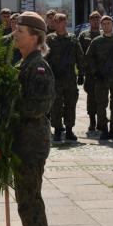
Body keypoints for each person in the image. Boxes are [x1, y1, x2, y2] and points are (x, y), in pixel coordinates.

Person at [6, 11, 55, 226]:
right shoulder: (24, 64)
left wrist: (6, 107)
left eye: (20, 32)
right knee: (24, 198)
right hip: (22, 141)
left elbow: (38, 106)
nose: (15, 34)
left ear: (35, 37)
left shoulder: (38, 66)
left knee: (30, 199)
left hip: (31, 143)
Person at [86, 15, 113, 140]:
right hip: (101, 79)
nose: (106, 26)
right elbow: (89, 58)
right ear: (101, 26)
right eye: (103, 24)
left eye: (108, 23)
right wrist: (95, 72)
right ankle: (103, 129)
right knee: (101, 104)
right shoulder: (96, 41)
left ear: (112, 25)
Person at [45, 13, 84, 142]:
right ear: (54, 23)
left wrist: (81, 73)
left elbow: (80, 56)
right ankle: (57, 129)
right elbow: (44, 58)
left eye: (61, 21)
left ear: (65, 23)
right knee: (56, 105)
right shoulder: (49, 39)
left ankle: (69, 130)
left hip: (70, 78)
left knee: (70, 104)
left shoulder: (72, 39)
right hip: (55, 78)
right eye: (56, 21)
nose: (59, 24)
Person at [78, 11, 102, 131]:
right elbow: (80, 54)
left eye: (97, 19)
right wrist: (81, 73)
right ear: (89, 20)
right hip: (90, 73)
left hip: (103, 73)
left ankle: (101, 121)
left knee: (102, 98)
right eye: (93, 19)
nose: (95, 21)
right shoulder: (84, 35)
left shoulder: (104, 34)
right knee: (91, 98)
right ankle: (92, 121)